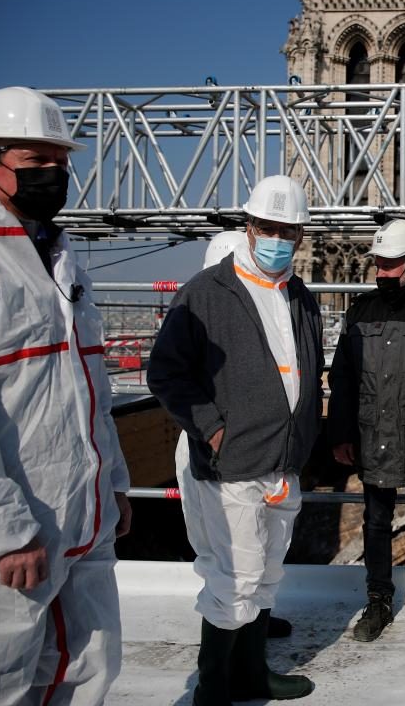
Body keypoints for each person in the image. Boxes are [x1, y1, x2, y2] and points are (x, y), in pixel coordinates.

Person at [0, 87, 132, 704]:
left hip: (81, 518)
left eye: (61, 161)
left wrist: (114, 483)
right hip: (5, 538)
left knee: (87, 667)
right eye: (36, 161)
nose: (55, 173)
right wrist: (1, 530)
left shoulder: (57, 259)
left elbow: (88, 389)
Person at [148, 176, 323, 704]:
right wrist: (214, 427)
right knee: (236, 578)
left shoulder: (300, 296)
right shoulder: (206, 293)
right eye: (268, 227)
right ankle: (213, 686)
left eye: (288, 231)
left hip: (283, 460)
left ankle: (251, 673)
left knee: (267, 572)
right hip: (232, 462)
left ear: (300, 235)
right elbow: (166, 373)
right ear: (249, 227)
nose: (278, 239)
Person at [328, 219, 405, 643]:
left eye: (389, 264)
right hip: (372, 432)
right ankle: (377, 600)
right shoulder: (361, 309)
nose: (380, 272)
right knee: (375, 522)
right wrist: (340, 432)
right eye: (378, 263)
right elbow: (342, 376)